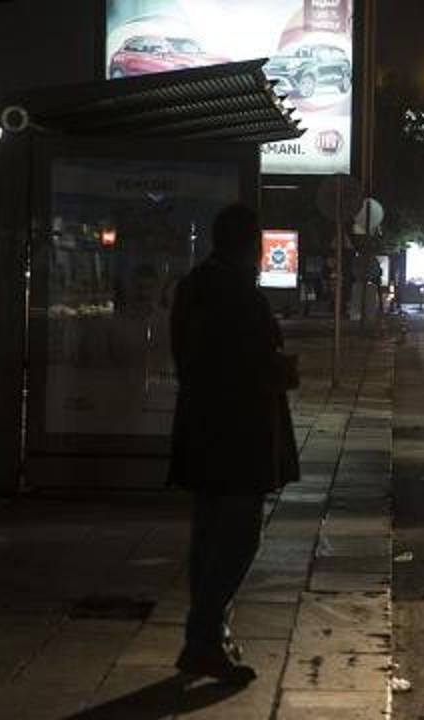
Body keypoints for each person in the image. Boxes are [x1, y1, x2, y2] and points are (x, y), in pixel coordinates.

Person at [168, 203, 300, 684]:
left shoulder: (193, 285)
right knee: (239, 538)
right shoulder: (240, 293)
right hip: (239, 433)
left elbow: (188, 355)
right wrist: (285, 370)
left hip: (201, 429)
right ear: (248, 247)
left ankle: (207, 635)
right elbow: (252, 364)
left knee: (206, 537)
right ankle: (203, 638)